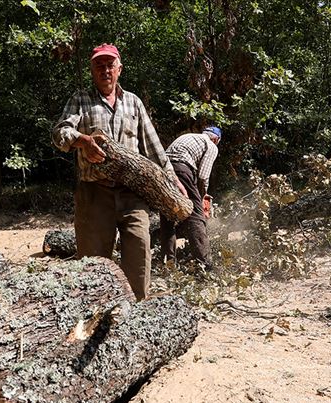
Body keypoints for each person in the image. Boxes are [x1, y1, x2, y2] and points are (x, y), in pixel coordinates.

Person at [52, 43, 183, 301]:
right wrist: (83, 141)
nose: (105, 70)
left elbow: (153, 146)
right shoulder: (81, 99)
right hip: (94, 194)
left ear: (119, 69)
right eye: (99, 66)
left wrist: (172, 178)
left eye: (110, 65)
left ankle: (134, 316)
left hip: (133, 195)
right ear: (92, 70)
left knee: (139, 257)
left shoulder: (133, 102)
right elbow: (59, 133)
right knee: (93, 266)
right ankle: (92, 321)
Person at [160, 127, 221, 268]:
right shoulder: (211, 145)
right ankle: (205, 264)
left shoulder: (189, 137)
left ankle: (167, 263)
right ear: (216, 139)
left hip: (163, 170)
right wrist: (201, 199)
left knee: (168, 214)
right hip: (182, 169)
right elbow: (203, 176)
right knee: (196, 217)